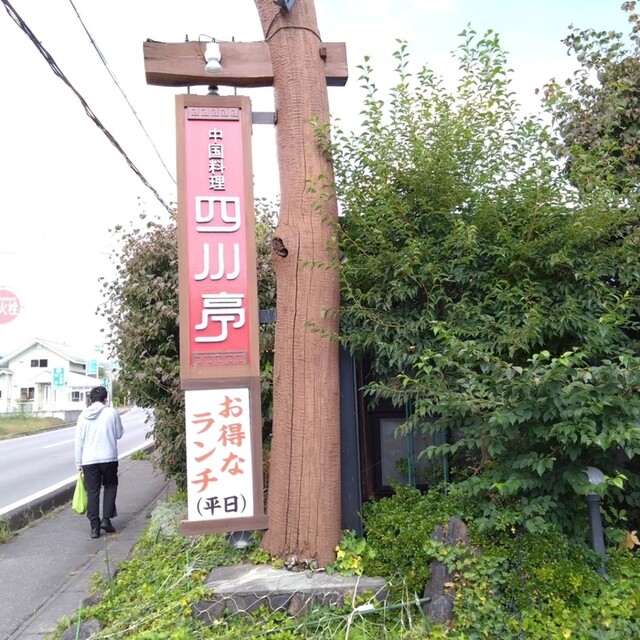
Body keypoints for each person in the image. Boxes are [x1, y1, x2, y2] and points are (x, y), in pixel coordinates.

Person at [75, 386, 124, 538]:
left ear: (90, 399)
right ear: (105, 398)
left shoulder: (82, 416)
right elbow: (119, 434)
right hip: (109, 458)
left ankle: (94, 527)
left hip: (89, 460)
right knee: (110, 486)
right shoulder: (112, 412)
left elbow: (79, 441)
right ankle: (106, 520)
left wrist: (78, 464)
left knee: (92, 491)